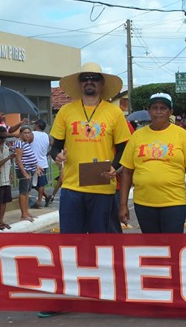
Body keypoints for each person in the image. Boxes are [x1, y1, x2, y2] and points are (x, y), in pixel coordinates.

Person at [50, 63, 131, 234]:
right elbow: (55, 146)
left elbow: (124, 149)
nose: (89, 81)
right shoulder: (65, 111)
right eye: (85, 78)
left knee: (101, 241)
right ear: (79, 84)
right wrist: (56, 155)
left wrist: (114, 167)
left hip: (102, 187)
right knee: (71, 241)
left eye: (94, 78)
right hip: (72, 187)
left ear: (102, 83)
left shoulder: (114, 112)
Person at [119, 93, 186, 233]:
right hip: (143, 204)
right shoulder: (137, 136)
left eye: (163, 108)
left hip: (174, 203)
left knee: (172, 244)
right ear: (149, 111)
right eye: (154, 108)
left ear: (170, 112)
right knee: (151, 244)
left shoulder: (181, 134)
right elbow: (127, 172)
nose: (158, 112)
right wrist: (123, 205)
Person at [0, 127, 15, 230]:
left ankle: (1, 219)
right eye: (1, 137)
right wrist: (8, 158)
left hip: (6, 178)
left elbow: (8, 163)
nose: (3, 140)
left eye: (5, 138)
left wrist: (10, 173)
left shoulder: (5, 147)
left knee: (4, 200)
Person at [15, 125, 38, 223]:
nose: (27, 135)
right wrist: (24, 173)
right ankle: (23, 213)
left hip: (30, 169)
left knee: (27, 191)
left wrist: (36, 166)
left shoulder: (26, 143)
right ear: (21, 134)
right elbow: (18, 160)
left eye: (29, 133)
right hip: (24, 170)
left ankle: (26, 212)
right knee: (23, 192)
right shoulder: (19, 143)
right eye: (25, 133)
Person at [30, 119, 52, 208]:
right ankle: (46, 196)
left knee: (35, 183)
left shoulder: (32, 134)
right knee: (39, 183)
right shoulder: (46, 135)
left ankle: (39, 201)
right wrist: (47, 153)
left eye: (35, 124)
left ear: (38, 125)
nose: (33, 126)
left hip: (34, 162)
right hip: (43, 162)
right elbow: (52, 144)